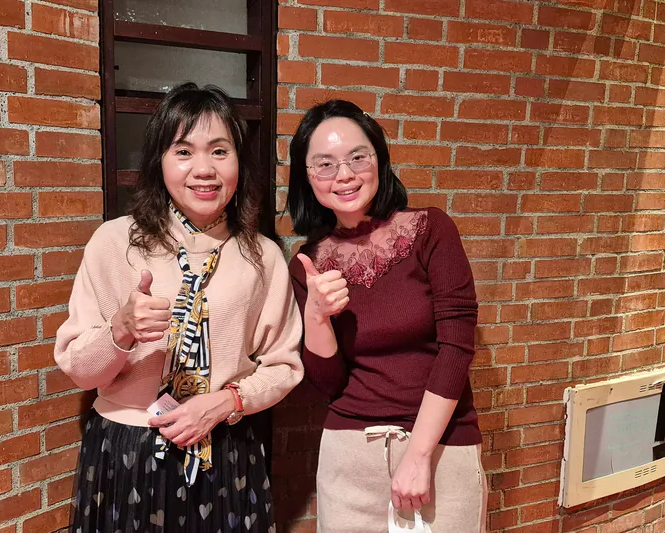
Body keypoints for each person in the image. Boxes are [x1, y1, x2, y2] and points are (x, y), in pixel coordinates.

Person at [55, 82, 303, 533]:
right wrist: (121, 329)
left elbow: (284, 365)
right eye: (183, 151)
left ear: (239, 163)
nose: (203, 169)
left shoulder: (262, 255)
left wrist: (228, 400)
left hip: (225, 446)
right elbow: (79, 369)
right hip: (127, 449)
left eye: (219, 151)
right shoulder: (116, 242)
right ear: (160, 161)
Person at [286, 100, 486, 533]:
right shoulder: (309, 262)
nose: (344, 174)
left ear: (379, 159)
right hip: (350, 455)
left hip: (440, 449)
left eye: (358, 157)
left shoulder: (431, 229)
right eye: (324, 164)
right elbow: (328, 384)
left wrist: (418, 456)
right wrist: (316, 316)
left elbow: (457, 346)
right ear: (307, 176)